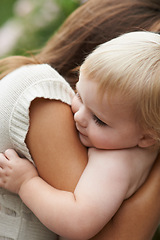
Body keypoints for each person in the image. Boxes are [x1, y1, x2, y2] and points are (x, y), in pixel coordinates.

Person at [0, 0, 160, 239]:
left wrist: (27, 183)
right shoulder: (128, 138)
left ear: (148, 137)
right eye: (78, 95)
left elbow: (78, 223)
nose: (79, 116)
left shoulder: (116, 163)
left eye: (100, 120)